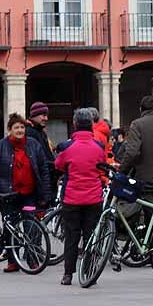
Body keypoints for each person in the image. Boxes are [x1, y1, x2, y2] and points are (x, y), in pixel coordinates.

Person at [0, 113, 51, 272]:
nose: (20, 130)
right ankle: (12, 261)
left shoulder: (34, 145)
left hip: (30, 194)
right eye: (17, 128)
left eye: (22, 127)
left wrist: (46, 193)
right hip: (9, 195)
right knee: (10, 228)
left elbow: (43, 170)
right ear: (10, 130)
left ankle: (32, 259)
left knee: (31, 227)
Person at [53, 108, 108, 286]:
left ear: (75, 124)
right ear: (91, 125)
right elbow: (102, 167)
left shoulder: (68, 146)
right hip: (93, 198)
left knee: (71, 235)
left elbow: (59, 165)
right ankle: (89, 271)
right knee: (91, 235)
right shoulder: (99, 147)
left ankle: (68, 274)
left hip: (72, 198)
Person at [26, 101, 56, 194]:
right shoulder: (31, 133)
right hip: (39, 181)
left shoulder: (40, 132)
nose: (46, 118)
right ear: (35, 115)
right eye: (43, 115)